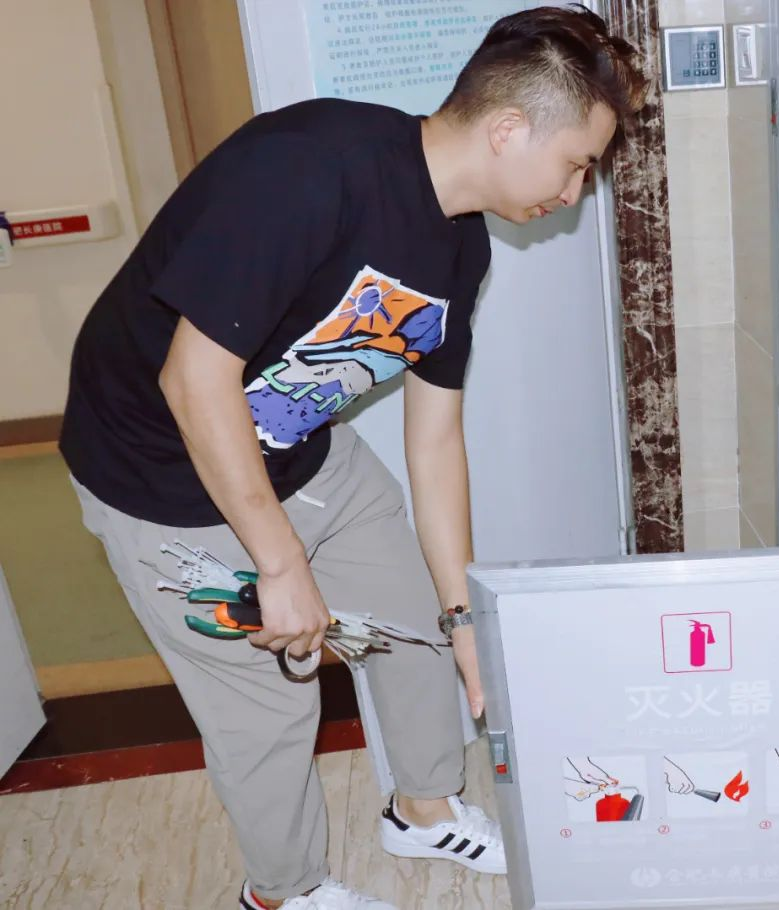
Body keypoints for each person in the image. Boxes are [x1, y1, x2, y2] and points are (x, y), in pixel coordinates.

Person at [60, 5, 646, 908]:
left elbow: (435, 436)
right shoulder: (305, 169)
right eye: (576, 165)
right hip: (159, 471)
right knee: (270, 701)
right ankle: (282, 892)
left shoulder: (460, 246)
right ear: (508, 129)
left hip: (297, 448)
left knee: (415, 622)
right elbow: (193, 380)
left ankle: (422, 810)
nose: (574, 194)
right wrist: (280, 563)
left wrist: (463, 619)